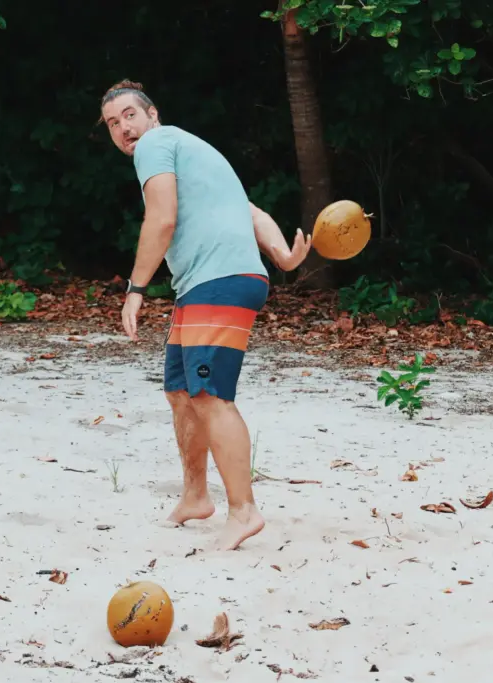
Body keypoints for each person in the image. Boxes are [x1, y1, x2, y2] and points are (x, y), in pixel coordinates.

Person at [99, 80, 312, 551]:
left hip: (217, 279)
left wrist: (135, 289)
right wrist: (282, 255)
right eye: (113, 123)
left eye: (130, 115)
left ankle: (244, 510)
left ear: (153, 115)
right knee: (181, 391)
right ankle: (196, 496)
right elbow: (249, 210)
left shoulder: (155, 144)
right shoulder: (191, 150)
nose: (123, 127)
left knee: (210, 395)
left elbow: (162, 219)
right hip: (209, 283)